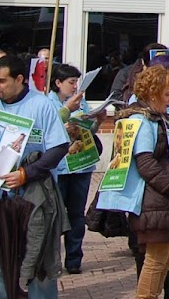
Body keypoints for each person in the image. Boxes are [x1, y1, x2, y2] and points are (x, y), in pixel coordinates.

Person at [0, 55, 71, 298]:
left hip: (34, 199)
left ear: (19, 79)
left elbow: (59, 147)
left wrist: (26, 173)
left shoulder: (41, 105)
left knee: (38, 265)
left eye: (1, 80)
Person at [117, 65, 169, 299]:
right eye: (167, 94)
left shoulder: (157, 118)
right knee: (155, 262)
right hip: (153, 201)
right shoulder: (141, 120)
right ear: (152, 94)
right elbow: (146, 163)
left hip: (162, 200)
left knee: (166, 259)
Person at [47, 64, 97, 275]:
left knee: (77, 213)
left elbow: (91, 129)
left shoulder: (81, 102)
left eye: (77, 82)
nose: (75, 86)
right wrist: (64, 124)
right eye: (71, 82)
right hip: (59, 167)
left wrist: (97, 121)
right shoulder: (47, 103)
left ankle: (74, 259)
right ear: (58, 83)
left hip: (81, 164)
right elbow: (46, 130)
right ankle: (52, 259)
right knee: (55, 214)